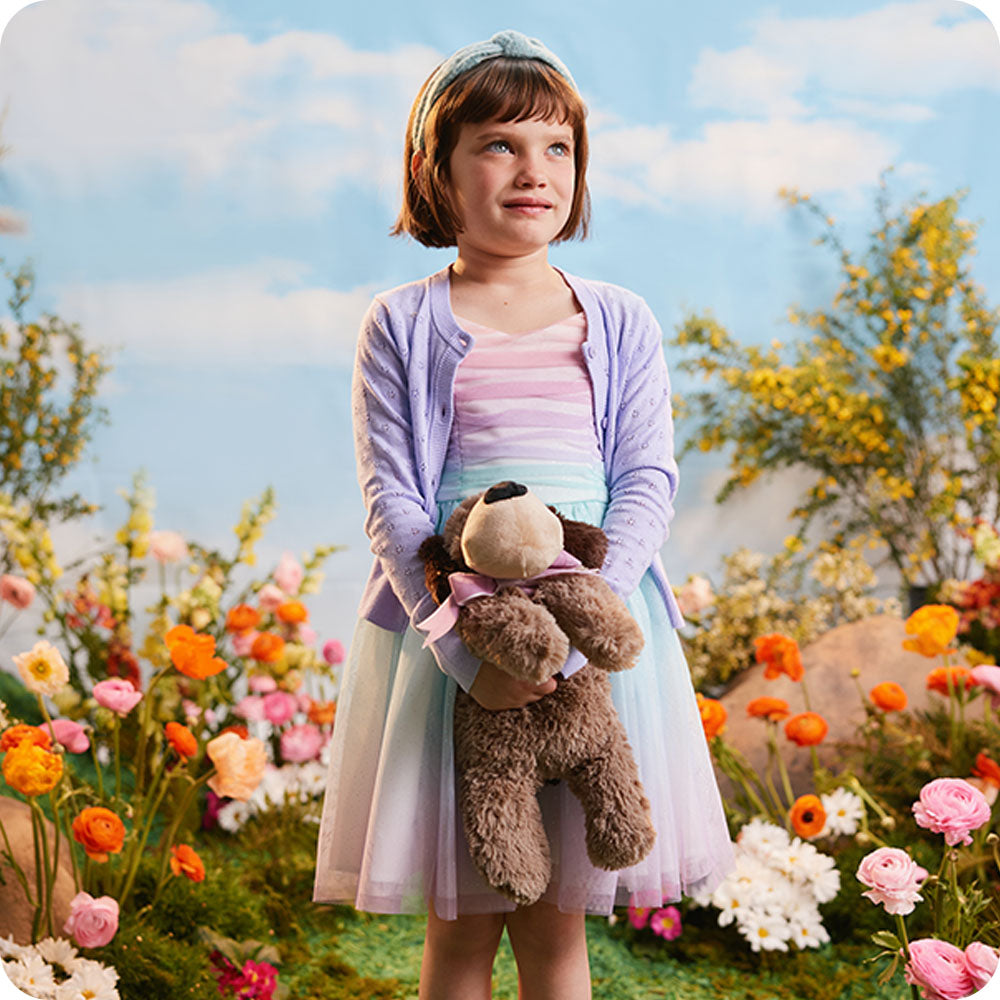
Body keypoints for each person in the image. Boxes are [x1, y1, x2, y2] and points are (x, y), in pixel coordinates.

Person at [313, 29, 733, 1000]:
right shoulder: (403, 322)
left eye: (556, 148)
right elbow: (395, 501)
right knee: (464, 933)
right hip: (455, 651)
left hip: (592, 643)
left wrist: (574, 642)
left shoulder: (618, 319)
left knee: (557, 935)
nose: (531, 170)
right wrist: (474, 657)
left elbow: (645, 480)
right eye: (499, 144)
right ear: (438, 169)